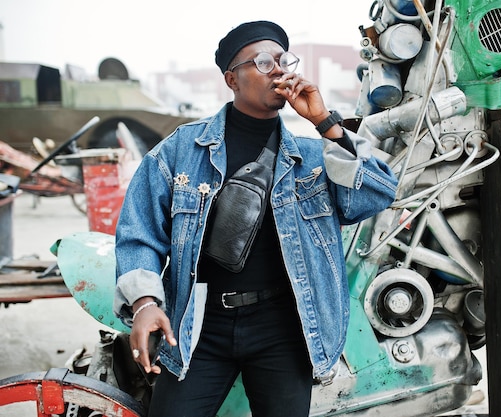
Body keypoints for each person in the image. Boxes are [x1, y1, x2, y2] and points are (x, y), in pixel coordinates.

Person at [114, 20, 398, 417]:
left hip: (282, 329)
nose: (280, 70)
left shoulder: (313, 157)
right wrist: (145, 303)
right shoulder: (181, 150)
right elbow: (139, 233)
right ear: (232, 78)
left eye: (284, 60)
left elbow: (377, 195)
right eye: (264, 61)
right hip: (200, 326)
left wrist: (326, 124)